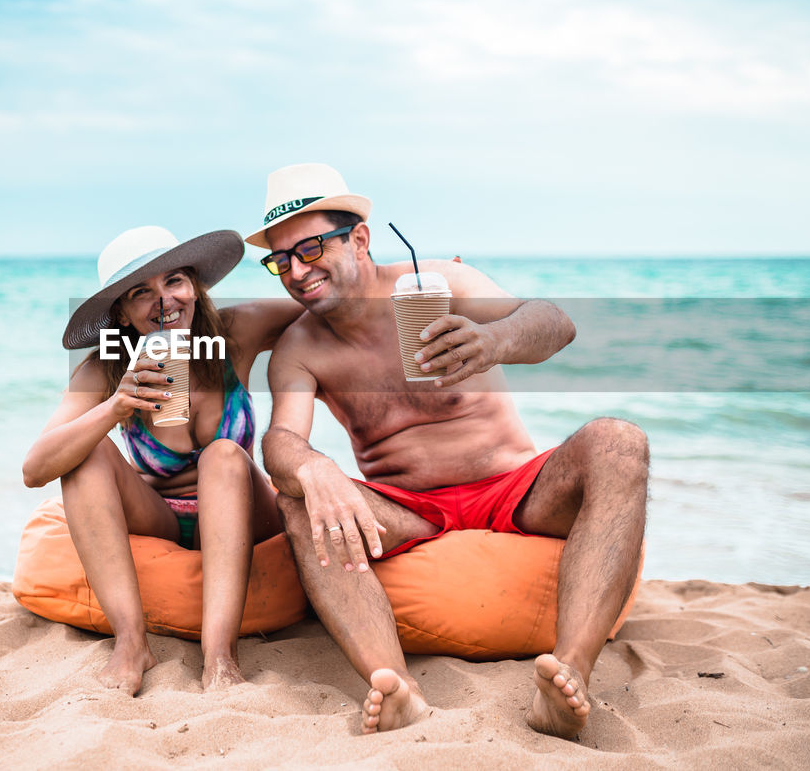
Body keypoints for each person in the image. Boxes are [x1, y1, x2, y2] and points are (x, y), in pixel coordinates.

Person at [250, 163, 649, 738]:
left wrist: (496, 340)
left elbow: (554, 322)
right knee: (301, 499)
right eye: (281, 259)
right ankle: (395, 687)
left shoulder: (436, 283)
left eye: (310, 247)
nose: (296, 269)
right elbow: (280, 439)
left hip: (515, 487)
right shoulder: (299, 349)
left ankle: (570, 677)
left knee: (620, 441)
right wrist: (313, 467)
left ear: (358, 238)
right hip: (409, 508)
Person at [22, 226, 302, 694]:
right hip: (165, 517)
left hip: (247, 510)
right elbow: (36, 468)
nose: (164, 300)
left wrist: (448, 292)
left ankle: (220, 658)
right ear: (124, 314)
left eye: (173, 281)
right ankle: (131, 645)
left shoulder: (236, 332)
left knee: (222, 456)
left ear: (193, 285)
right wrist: (115, 405)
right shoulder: (108, 367)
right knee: (84, 456)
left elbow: (334, 311)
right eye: (140, 293)